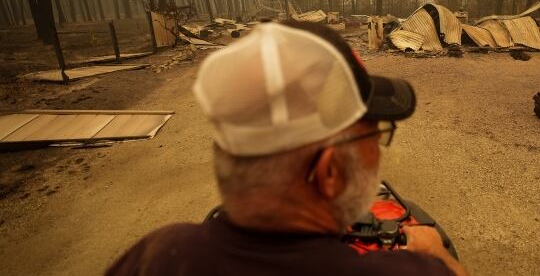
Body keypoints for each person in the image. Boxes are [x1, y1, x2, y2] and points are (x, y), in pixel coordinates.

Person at [107, 21, 468, 276]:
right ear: (329, 172)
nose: (379, 152)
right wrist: (436, 256)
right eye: (373, 136)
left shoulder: (156, 256)